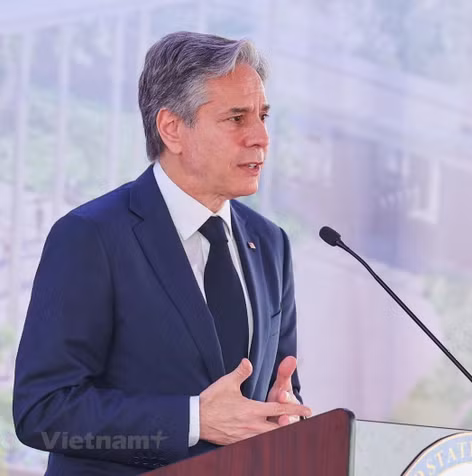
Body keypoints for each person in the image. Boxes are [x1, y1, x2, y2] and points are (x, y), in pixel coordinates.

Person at [12, 31, 312, 475]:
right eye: (236, 118)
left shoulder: (270, 243)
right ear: (172, 128)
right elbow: (44, 413)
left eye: (263, 116)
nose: (261, 137)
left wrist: (281, 412)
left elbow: (279, 388)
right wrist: (192, 420)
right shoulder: (91, 236)